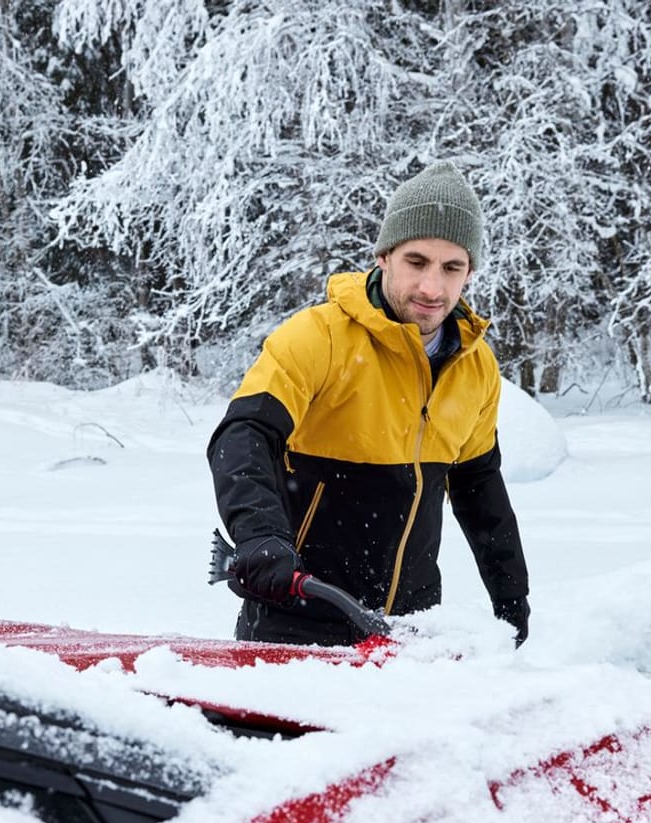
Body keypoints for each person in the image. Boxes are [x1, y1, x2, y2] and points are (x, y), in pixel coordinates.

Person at [207, 160, 530, 647]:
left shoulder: (475, 365)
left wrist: (511, 596)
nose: (432, 288)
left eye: (452, 267)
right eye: (416, 262)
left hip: (412, 630)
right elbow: (244, 434)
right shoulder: (320, 337)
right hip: (297, 617)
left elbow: (478, 486)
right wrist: (260, 536)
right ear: (383, 257)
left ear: (470, 272)